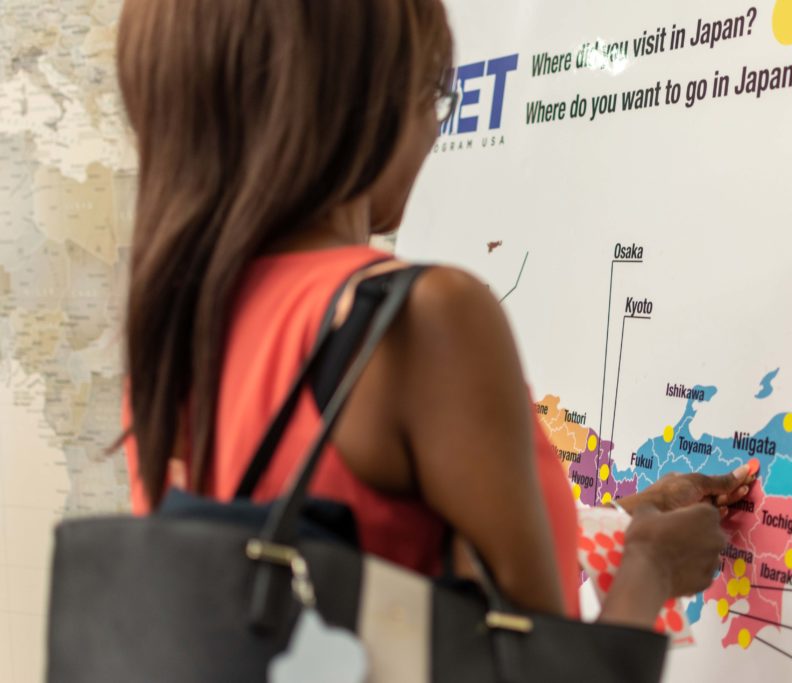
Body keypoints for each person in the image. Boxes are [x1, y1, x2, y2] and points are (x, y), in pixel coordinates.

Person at [117, 0, 754, 632]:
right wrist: (650, 570)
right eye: (431, 91)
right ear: (362, 100)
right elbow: (544, 673)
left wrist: (624, 525)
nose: (432, 129)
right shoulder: (418, 318)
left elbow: (359, 565)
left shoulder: (174, 333)